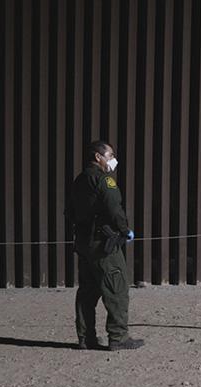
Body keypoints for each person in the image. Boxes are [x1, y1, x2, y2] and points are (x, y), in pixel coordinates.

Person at [65, 141, 144, 350]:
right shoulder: (103, 180)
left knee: (87, 293)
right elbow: (114, 208)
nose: (113, 159)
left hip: (84, 244)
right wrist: (125, 230)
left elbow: (69, 211)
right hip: (104, 245)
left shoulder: (79, 180)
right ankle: (118, 337)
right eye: (110, 155)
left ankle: (85, 338)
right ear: (98, 157)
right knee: (116, 289)